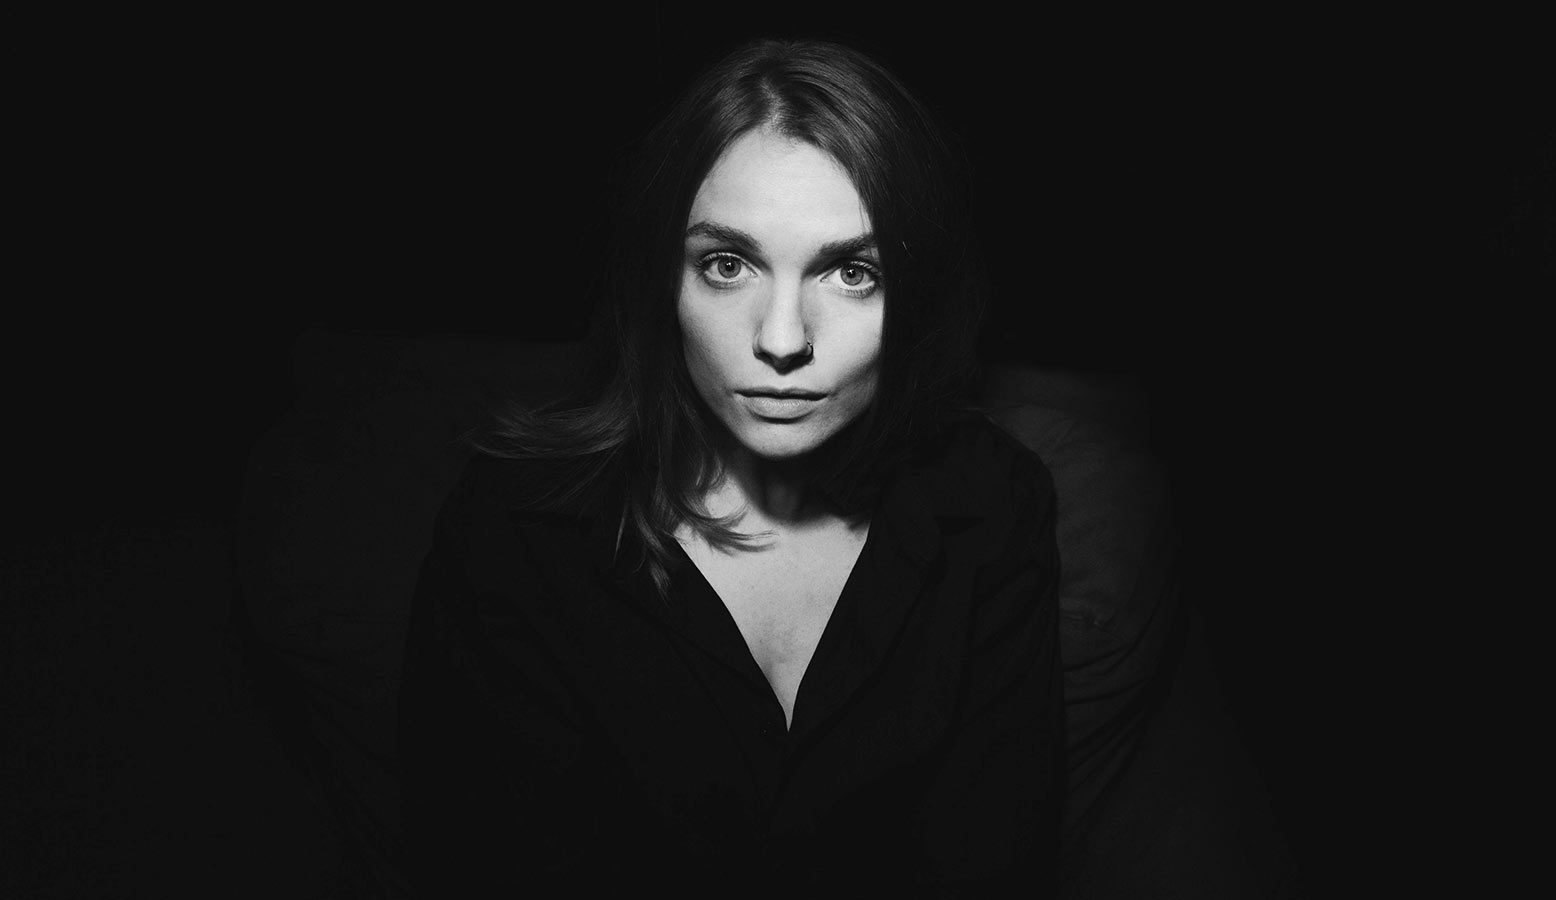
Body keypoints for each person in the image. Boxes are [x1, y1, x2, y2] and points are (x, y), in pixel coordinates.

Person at [398, 37, 1065, 895]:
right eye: (727, 264)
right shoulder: (517, 531)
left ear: (920, 296)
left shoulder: (991, 509)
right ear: (662, 282)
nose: (782, 340)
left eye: (852, 272)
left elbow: (994, 864)